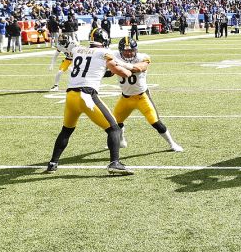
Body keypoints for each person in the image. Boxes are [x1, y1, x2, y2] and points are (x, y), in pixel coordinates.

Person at [44, 28, 133, 175]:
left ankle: (53, 163)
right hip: (86, 95)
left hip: (71, 95)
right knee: (114, 128)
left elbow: (89, 66)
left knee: (66, 130)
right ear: (104, 40)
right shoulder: (104, 53)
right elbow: (117, 71)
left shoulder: (78, 50)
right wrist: (130, 71)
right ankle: (114, 163)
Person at [110, 37, 183, 153]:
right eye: (125, 51)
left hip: (141, 97)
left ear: (136, 50)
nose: (129, 53)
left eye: (131, 51)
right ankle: (122, 140)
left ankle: (172, 143)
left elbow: (139, 67)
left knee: (156, 122)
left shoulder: (142, 57)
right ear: (120, 51)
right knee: (114, 123)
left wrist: (119, 64)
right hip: (125, 97)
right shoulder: (114, 56)